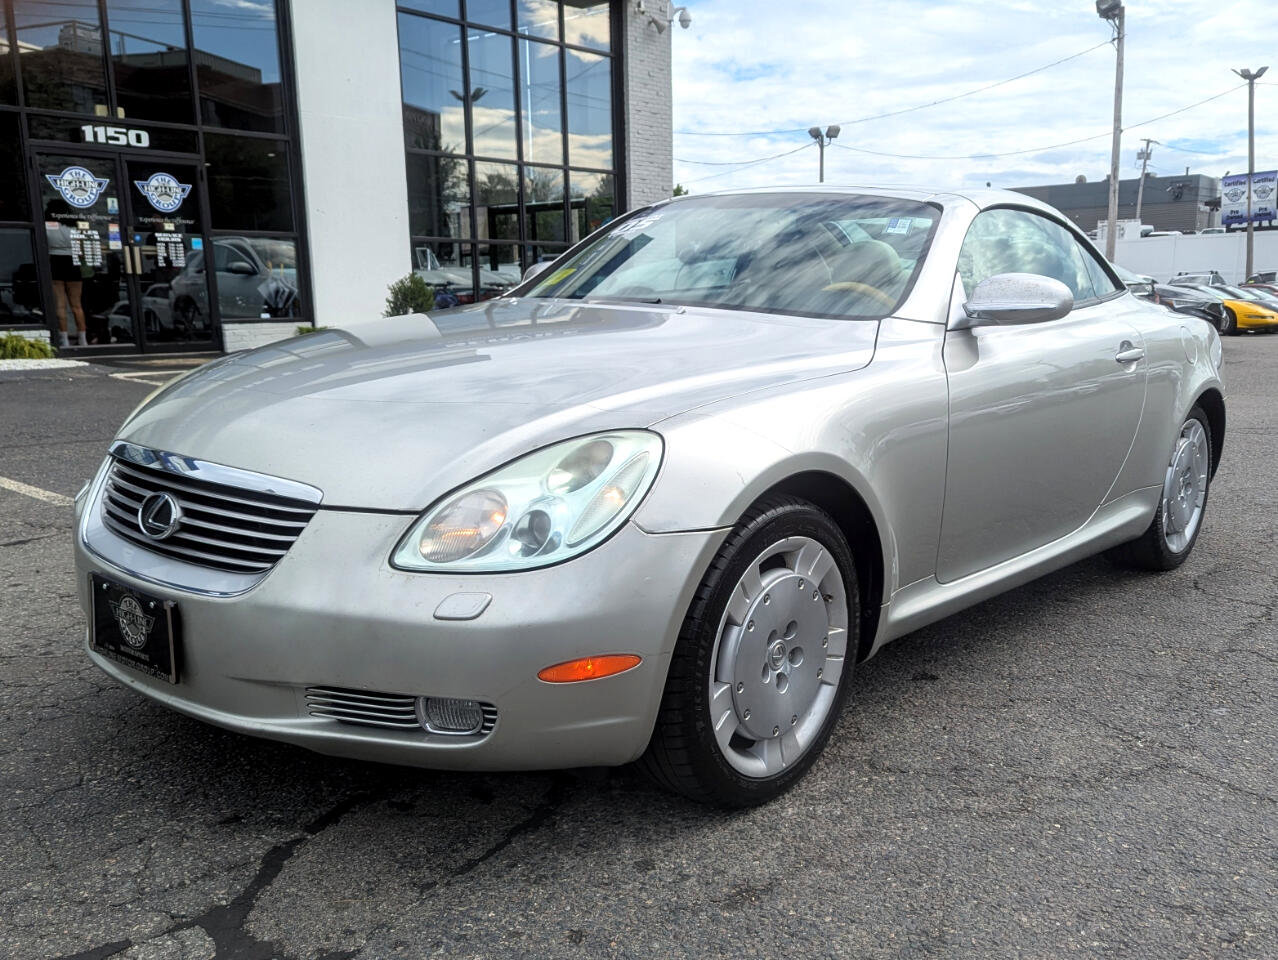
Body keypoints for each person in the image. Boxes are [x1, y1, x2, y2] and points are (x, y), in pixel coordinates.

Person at [45, 201, 88, 347]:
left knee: (60, 305)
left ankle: (64, 339)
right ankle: (83, 339)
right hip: (72, 262)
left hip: (55, 261)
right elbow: (81, 251)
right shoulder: (74, 226)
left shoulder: (47, 225)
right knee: (77, 305)